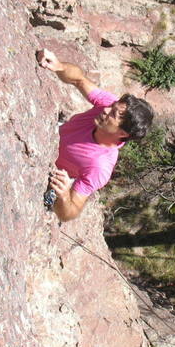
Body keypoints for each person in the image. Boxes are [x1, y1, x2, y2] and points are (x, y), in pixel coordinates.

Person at [37, 48, 154, 221]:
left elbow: (71, 212)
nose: (105, 109)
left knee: (52, 197)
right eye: (112, 106)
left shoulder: (99, 166)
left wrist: (64, 196)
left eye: (112, 114)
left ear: (122, 133)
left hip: (55, 167)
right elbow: (78, 79)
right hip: (56, 133)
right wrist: (59, 66)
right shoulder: (108, 106)